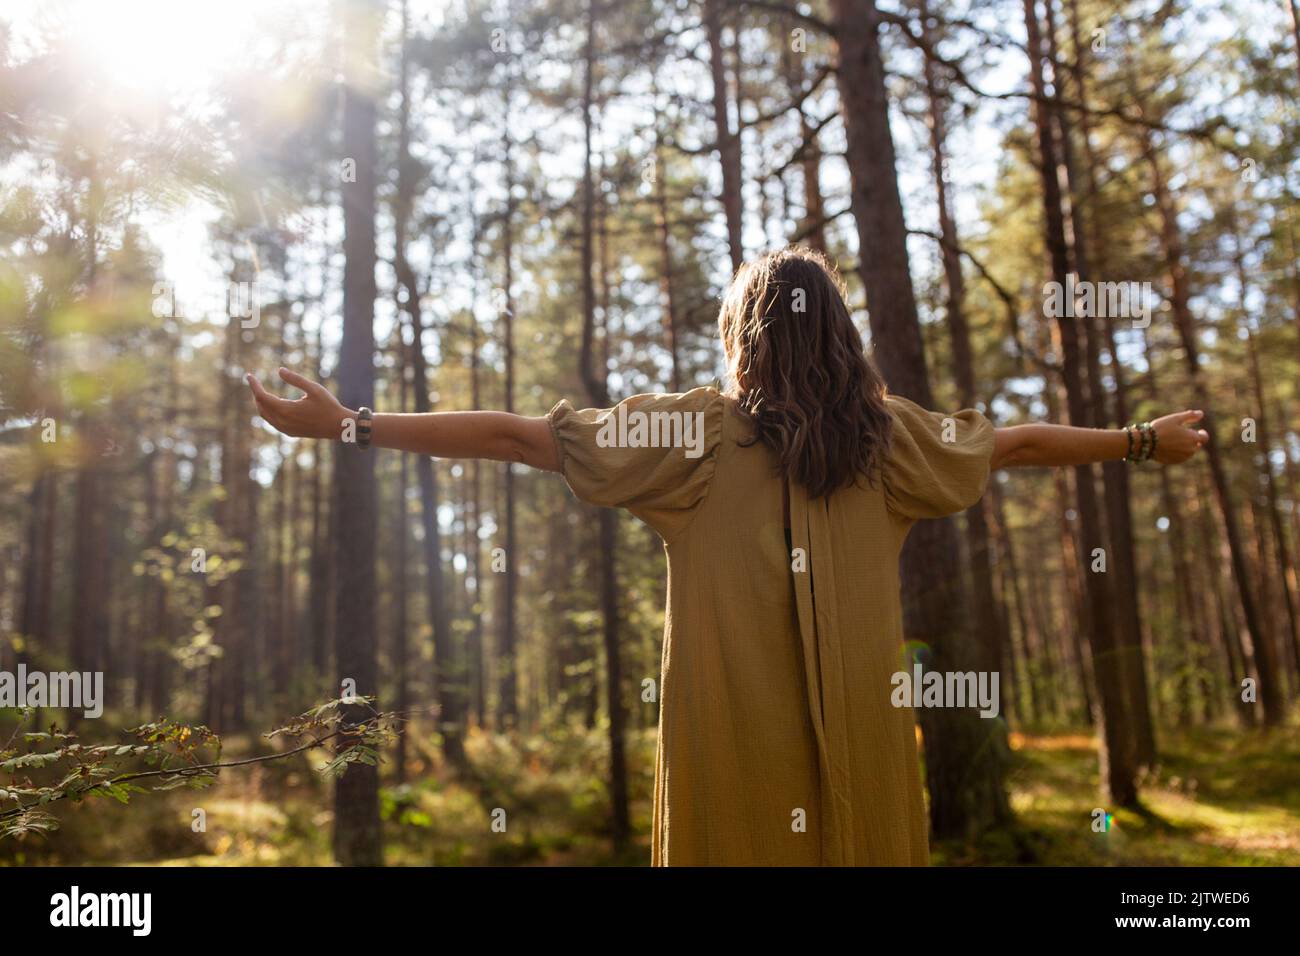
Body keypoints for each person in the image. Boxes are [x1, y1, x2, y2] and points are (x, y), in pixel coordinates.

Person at [247, 246, 1208, 866]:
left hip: (730, 797)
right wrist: (1137, 439)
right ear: (840, 335)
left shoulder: (700, 436)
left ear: (741, 337)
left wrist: (352, 426)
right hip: (866, 795)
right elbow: (1020, 443)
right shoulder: (893, 443)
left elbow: (519, 437)